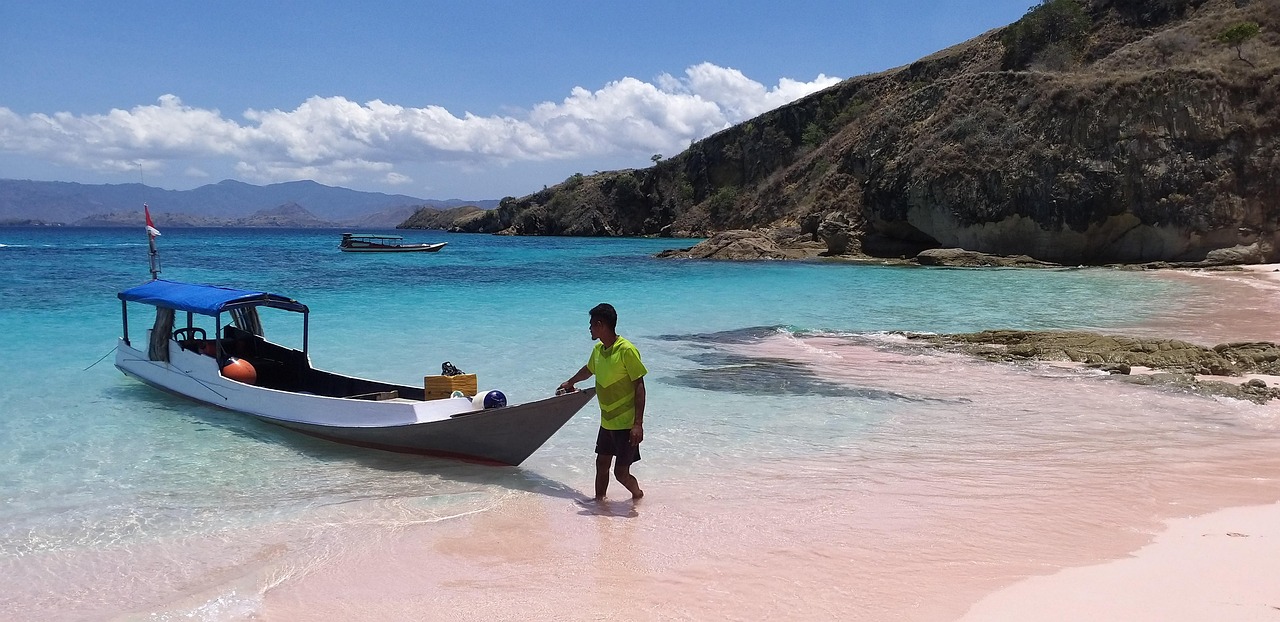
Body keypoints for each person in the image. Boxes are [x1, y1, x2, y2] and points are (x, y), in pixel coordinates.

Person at [559, 303, 647, 500]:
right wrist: (570, 382)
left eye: (591, 324)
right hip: (607, 422)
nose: (589, 328)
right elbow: (589, 370)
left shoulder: (626, 350)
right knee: (601, 464)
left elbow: (640, 386)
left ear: (600, 325)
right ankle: (599, 503)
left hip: (625, 424)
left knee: (621, 474)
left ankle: (638, 495)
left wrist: (638, 424)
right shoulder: (599, 350)